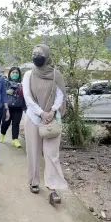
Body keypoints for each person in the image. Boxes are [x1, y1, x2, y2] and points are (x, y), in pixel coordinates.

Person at [22, 44, 68, 204]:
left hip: (52, 120)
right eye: (34, 53)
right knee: (33, 152)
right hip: (33, 118)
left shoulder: (57, 75)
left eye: (40, 53)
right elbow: (27, 97)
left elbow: (60, 95)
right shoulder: (28, 74)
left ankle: (53, 189)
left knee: (52, 154)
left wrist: (52, 111)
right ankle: (34, 182)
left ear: (47, 55)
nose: (36, 56)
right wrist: (41, 113)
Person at [0, 67, 26, 148]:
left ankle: (15, 139)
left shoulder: (23, 84)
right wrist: (6, 92)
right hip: (7, 107)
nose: (15, 74)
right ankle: (2, 134)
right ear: (10, 73)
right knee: (5, 122)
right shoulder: (5, 82)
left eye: (17, 73)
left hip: (18, 107)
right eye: (13, 72)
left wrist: (25, 107)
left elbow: (25, 96)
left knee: (16, 123)